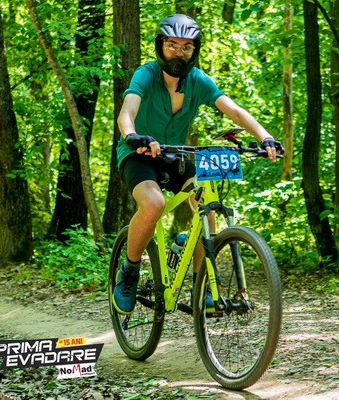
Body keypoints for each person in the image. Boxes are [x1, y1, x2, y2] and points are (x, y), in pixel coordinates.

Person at [113, 14, 282, 314]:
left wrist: (265, 137)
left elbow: (234, 110)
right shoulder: (146, 74)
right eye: (172, 45)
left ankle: (202, 286)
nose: (178, 53)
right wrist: (132, 135)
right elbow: (128, 110)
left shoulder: (198, 81)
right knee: (153, 204)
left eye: (186, 47)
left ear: (194, 50)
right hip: (138, 154)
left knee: (207, 202)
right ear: (160, 46)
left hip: (176, 155)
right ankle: (129, 270)